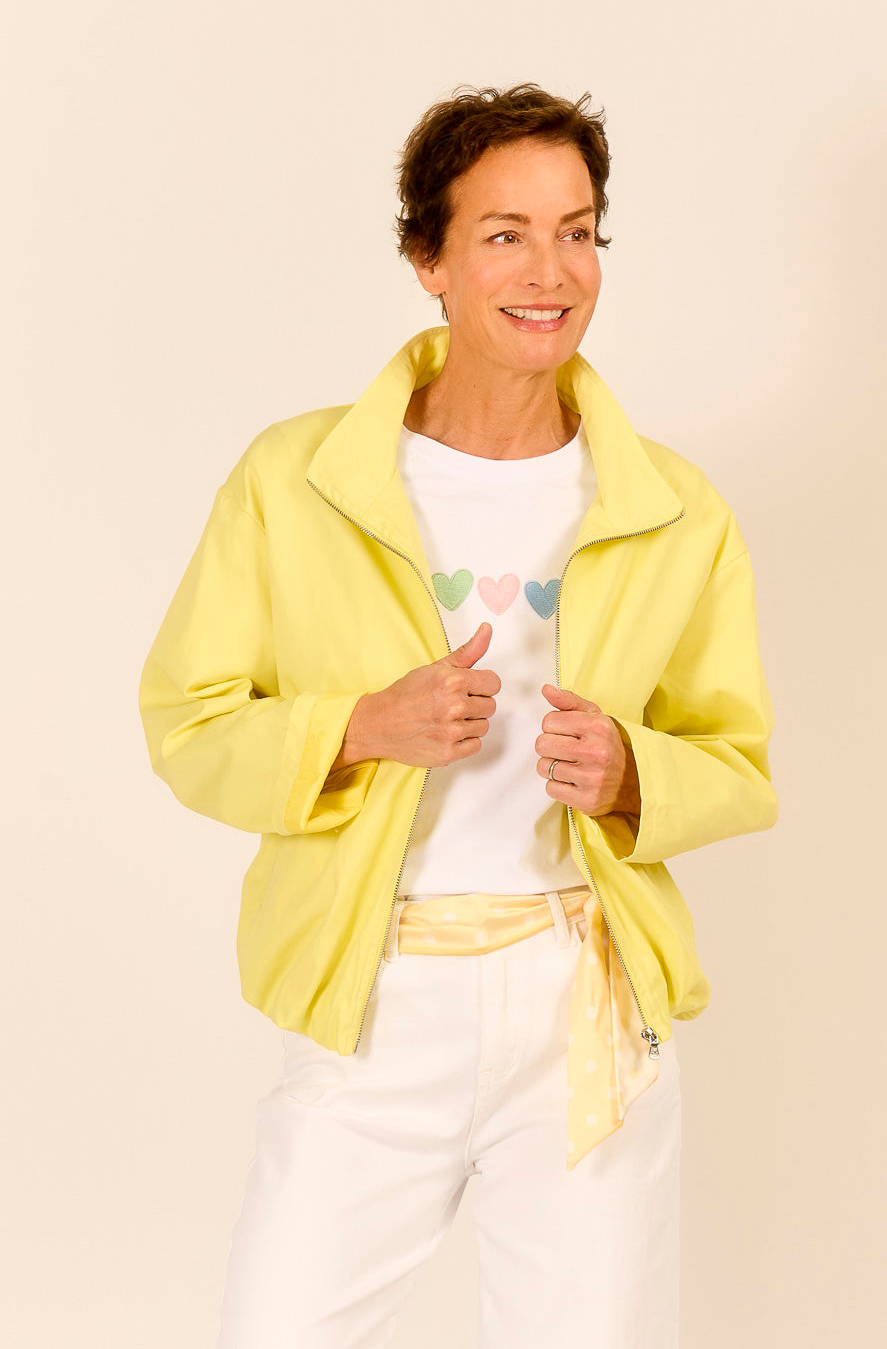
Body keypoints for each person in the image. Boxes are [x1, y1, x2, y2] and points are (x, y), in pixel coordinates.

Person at [138, 82, 778, 1349]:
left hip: (586, 998)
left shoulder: (674, 506)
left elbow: (737, 760)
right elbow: (189, 725)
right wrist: (360, 726)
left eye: (577, 231)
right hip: (374, 992)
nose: (551, 271)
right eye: (504, 234)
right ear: (427, 258)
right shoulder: (297, 478)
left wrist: (632, 771)